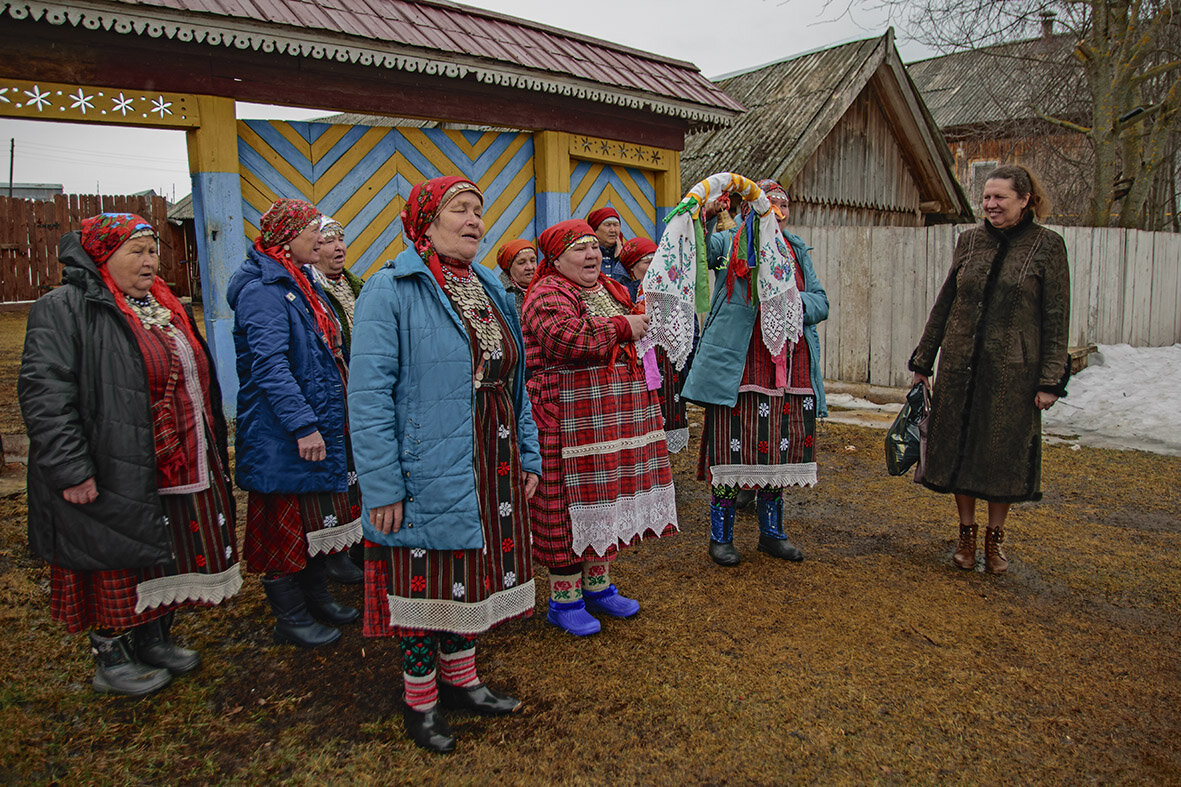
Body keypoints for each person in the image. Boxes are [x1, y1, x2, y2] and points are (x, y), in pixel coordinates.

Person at [348, 176, 541, 754]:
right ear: (426, 223)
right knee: (424, 579)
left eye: (480, 210)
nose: (474, 220)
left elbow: (518, 382)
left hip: (493, 454)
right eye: (460, 209)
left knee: (469, 572)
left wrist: (527, 451)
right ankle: (421, 701)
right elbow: (368, 394)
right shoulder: (392, 288)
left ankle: (463, 682)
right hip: (428, 460)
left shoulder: (489, 286)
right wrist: (382, 485)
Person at [19, 213, 241, 696]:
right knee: (113, 556)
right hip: (108, 459)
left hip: (166, 457)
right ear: (102, 256)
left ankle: (153, 637)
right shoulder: (67, 308)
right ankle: (111, 655)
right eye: (135, 252)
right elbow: (45, 394)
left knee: (159, 551)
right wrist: (71, 469)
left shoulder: (160, 304)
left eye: (153, 250)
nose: (150, 261)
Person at [909, 164, 1070, 574]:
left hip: (1013, 373)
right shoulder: (969, 241)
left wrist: (1051, 379)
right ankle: (965, 534)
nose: (990, 204)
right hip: (960, 366)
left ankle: (994, 542)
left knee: (1002, 456)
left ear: (1025, 200)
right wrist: (923, 361)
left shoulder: (1047, 247)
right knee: (959, 450)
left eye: (999, 197)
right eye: (986, 197)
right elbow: (945, 303)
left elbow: (1056, 318)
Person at [522, 219, 678, 638]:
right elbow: (565, 338)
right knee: (566, 508)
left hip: (606, 421)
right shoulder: (546, 294)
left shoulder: (610, 288)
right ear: (555, 259)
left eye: (594, 247)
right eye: (579, 249)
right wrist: (623, 326)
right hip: (564, 421)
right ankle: (564, 600)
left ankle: (598, 586)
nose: (591, 255)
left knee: (603, 497)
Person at [227, 198, 362, 648]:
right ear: (289, 237)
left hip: (320, 417)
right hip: (281, 431)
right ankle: (290, 615)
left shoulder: (300, 281)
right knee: (285, 524)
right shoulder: (263, 291)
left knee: (315, 519)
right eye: (310, 232)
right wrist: (304, 425)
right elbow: (270, 366)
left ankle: (316, 595)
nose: (318, 239)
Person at [682, 179, 827, 567]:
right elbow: (695, 251)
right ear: (750, 210)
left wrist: (785, 303)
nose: (774, 216)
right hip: (740, 368)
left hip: (788, 372)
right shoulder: (730, 244)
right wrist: (705, 216)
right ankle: (721, 537)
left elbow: (821, 302)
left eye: (781, 209)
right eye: (768, 208)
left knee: (779, 452)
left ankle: (772, 534)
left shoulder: (795, 250)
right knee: (733, 449)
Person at [308, 213, 366, 585]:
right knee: (339, 469)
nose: (339, 247)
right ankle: (337, 550)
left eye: (341, 239)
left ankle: (361, 540)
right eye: (329, 240)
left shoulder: (356, 285)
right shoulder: (312, 290)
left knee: (363, 468)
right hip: (334, 390)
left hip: (363, 387)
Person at [616, 237, 690, 454]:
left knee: (668, 409)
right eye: (647, 261)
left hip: (667, 364)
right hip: (638, 362)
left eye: (656, 259)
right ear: (631, 267)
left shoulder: (668, 290)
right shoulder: (622, 291)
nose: (654, 265)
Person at [495, 239, 537, 315]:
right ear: (509, 266)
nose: (530, 267)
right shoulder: (500, 293)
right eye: (521, 262)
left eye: (533, 260)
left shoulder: (546, 286)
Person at [587, 206, 625, 279]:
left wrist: (620, 259)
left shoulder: (627, 256)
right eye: (607, 225)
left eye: (616, 225)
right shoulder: (587, 256)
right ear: (595, 230)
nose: (613, 230)